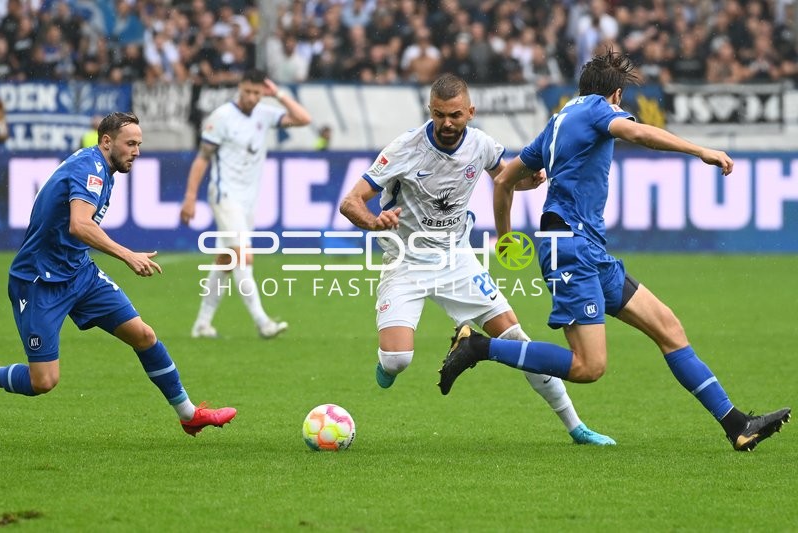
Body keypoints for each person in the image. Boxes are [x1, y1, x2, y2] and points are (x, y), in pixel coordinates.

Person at [438, 50, 791, 452]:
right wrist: (701, 151)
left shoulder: (559, 122)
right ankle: (477, 347)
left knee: (668, 327)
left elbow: (502, 182)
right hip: (570, 249)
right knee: (589, 367)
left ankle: (736, 424)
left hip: (586, 250)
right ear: (617, 97)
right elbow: (639, 134)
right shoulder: (596, 110)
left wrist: (505, 238)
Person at [339, 73, 615, 446]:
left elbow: (506, 178)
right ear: (430, 111)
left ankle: (576, 426)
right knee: (397, 360)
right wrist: (375, 221)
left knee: (517, 337)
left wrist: (526, 182)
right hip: (404, 262)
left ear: (470, 111)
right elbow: (350, 201)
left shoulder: (482, 145)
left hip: (457, 260)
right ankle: (387, 362)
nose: (447, 123)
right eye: (439, 115)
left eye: (454, 115)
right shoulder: (405, 148)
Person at [0, 112, 236, 436]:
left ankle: (189, 414)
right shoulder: (90, 169)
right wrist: (127, 255)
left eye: (139, 144)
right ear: (107, 141)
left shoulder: (104, 169)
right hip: (39, 281)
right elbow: (79, 224)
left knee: (144, 335)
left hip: (78, 273)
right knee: (44, 381)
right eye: (131, 143)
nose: (136, 151)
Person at [180, 69, 311, 339]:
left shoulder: (265, 113)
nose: (251, 97)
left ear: (263, 92)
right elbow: (203, 157)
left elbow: (303, 119)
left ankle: (201, 324)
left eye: (257, 92)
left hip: (248, 200)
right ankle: (263, 322)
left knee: (226, 260)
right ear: (240, 88)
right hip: (224, 195)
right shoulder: (221, 117)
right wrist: (190, 197)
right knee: (243, 256)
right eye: (247, 91)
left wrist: (279, 95)